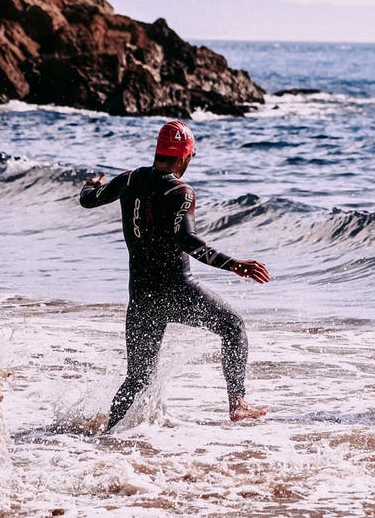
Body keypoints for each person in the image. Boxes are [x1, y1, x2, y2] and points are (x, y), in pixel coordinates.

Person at [79, 120, 271, 430]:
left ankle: (108, 437)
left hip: (141, 298)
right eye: (191, 157)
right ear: (183, 156)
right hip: (178, 291)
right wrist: (235, 264)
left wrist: (92, 182)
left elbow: (89, 199)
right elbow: (187, 240)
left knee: (137, 379)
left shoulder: (129, 180)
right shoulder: (181, 190)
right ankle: (238, 403)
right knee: (233, 327)